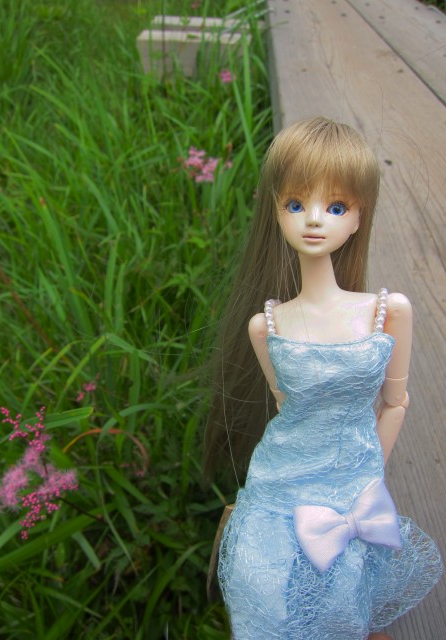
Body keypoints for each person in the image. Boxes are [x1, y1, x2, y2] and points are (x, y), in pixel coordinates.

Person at [203, 117, 442, 639]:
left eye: (335, 207)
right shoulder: (266, 325)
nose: (314, 220)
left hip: (350, 483)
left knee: (342, 599)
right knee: (267, 594)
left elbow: (395, 403)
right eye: (295, 204)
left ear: (358, 218)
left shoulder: (387, 312)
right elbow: (285, 404)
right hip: (279, 482)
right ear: (276, 213)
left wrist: (366, 476)